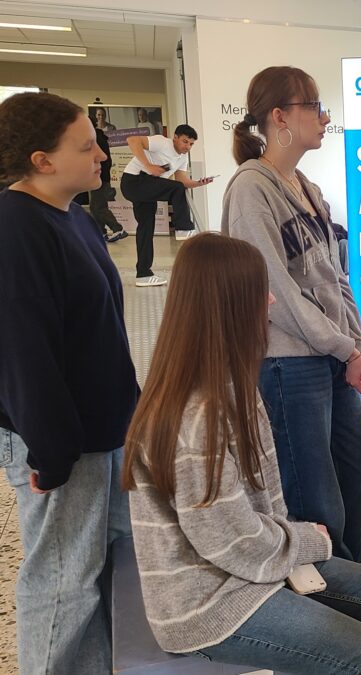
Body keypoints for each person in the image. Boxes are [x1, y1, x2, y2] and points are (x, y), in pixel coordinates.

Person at [123, 233, 361, 673]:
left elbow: (247, 523)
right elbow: (228, 541)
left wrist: (295, 541)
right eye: (258, 291)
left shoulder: (233, 384)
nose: (270, 301)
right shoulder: (196, 414)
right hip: (208, 603)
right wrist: (306, 541)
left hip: (251, 568)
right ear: (227, 306)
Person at [0, 92, 139, 673]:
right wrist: (52, 457)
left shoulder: (74, 216)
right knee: (62, 582)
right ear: (41, 160)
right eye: (87, 147)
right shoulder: (14, 228)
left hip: (104, 433)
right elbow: (23, 354)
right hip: (61, 443)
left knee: (100, 572)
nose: (103, 156)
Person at [222, 66, 361, 562]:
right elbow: (277, 291)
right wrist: (343, 347)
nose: (324, 116)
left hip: (331, 361)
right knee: (317, 509)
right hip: (288, 364)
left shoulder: (307, 185)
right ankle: (329, 614)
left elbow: (336, 277)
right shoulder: (252, 188)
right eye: (313, 105)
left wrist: (354, 347)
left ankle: (353, 595)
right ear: (279, 117)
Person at [119, 124, 212, 287]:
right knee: (176, 189)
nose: (187, 147)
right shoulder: (162, 142)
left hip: (147, 187)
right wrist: (148, 166)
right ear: (175, 137)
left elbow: (182, 181)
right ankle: (183, 227)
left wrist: (198, 183)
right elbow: (132, 140)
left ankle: (143, 274)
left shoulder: (182, 158)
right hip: (134, 181)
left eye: (191, 144)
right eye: (185, 142)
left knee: (146, 228)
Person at [88, 116, 128, 242]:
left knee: (98, 207)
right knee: (96, 206)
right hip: (100, 177)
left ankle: (118, 229)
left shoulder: (96, 139)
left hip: (100, 178)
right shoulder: (99, 137)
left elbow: (101, 159)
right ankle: (101, 233)